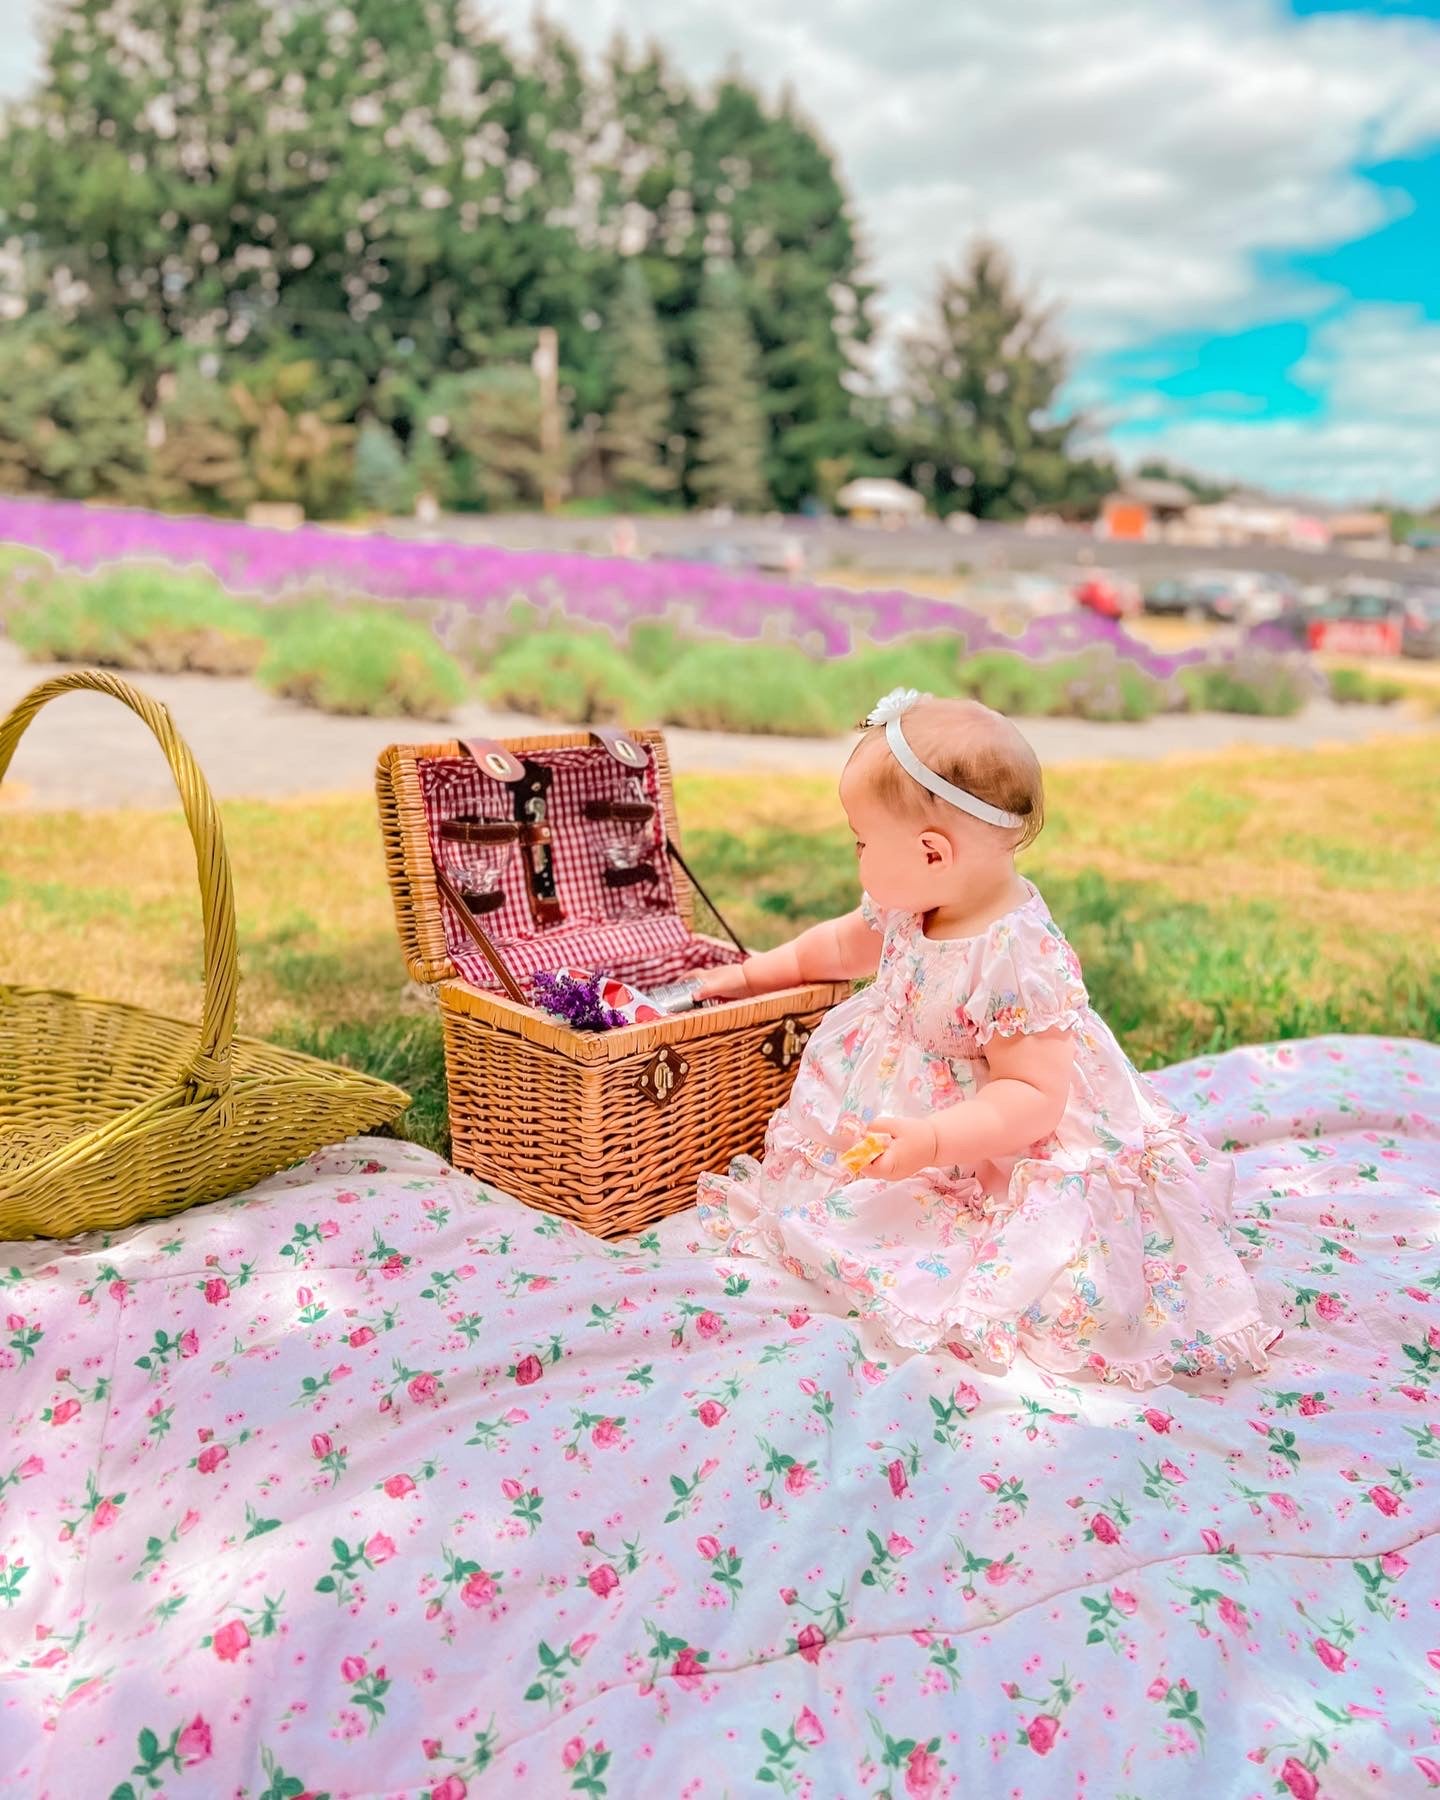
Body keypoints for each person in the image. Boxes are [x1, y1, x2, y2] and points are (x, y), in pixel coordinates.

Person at [692, 688, 1282, 1390]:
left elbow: (1031, 1097)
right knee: (844, 1200)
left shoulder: (1015, 954)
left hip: (991, 1137)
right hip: (912, 1109)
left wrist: (934, 1141)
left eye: (859, 842)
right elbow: (845, 943)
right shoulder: (914, 902)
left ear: (933, 853)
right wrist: (756, 972)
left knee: (1000, 1249)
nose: (854, 856)